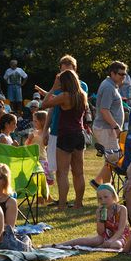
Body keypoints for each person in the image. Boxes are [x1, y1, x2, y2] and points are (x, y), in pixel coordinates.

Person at [41, 70, 87, 210]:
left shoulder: (64, 96)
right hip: (79, 134)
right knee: (79, 172)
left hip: (65, 135)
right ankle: (78, 203)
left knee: (62, 172)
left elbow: (44, 104)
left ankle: (62, 205)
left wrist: (53, 89)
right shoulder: (82, 95)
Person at [57, 184, 130, 249]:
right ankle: (59, 245)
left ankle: (101, 246)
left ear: (113, 196)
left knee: (116, 245)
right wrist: (99, 217)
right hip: (106, 235)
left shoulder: (122, 209)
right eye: (100, 198)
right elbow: (100, 232)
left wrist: (110, 241)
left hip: (120, 236)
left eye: (106, 197)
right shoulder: (101, 211)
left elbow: (121, 229)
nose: (103, 200)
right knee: (91, 240)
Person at [90, 61, 127, 188]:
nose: (123, 77)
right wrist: (116, 127)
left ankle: (101, 183)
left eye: (125, 74)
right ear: (112, 73)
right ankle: (105, 187)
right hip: (106, 128)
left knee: (111, 158)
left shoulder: (112, 86)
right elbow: (104, 110)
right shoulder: (108, 87)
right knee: (112, 158)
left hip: (107, 128)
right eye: (120, 74)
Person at [25, 110, 54, 187]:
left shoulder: (47, 132)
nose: (34, 123)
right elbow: (26, 146)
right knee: (37, 181)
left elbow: (46, 143)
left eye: (36, 121)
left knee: (43, 181)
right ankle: (44, 197)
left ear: (42, 121)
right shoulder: (34, 132)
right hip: (33, 159)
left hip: (42, 159)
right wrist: (29, 139)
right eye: (33, 121)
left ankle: (46, 197)